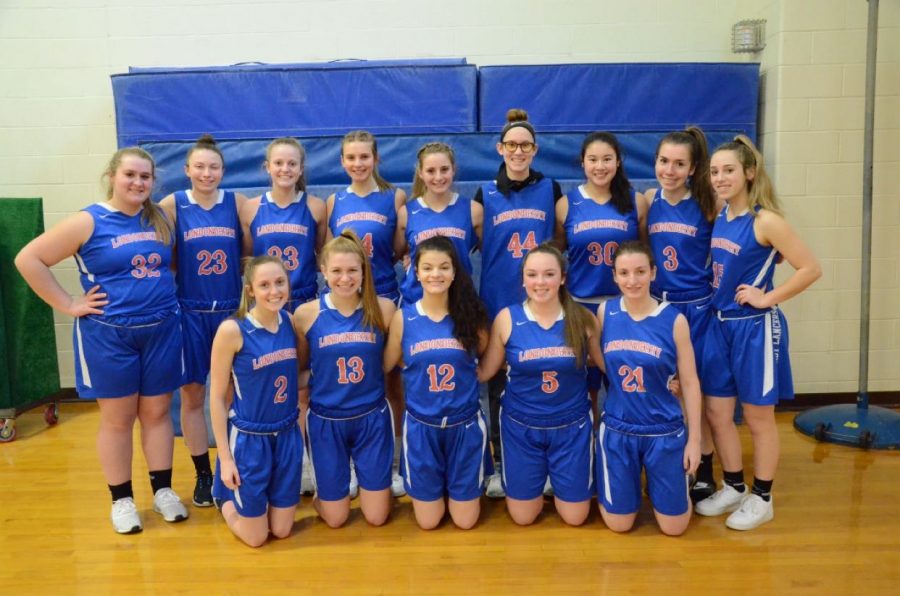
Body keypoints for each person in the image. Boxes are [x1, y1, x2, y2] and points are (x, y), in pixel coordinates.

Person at [15, 147, 189, 534]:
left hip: (161, 328)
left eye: (145, 177)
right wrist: (68, 303)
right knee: (118, 420)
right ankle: (122, 500)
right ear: (112, 175)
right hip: (110, 335)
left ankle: (163, 491)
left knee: (158, 414)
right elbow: (28, 259)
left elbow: (168, 266)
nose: (138, 182)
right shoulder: (87, 221)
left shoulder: (159, 217)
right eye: (130, 174)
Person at [694, 135, 821, 530]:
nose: (720, 178)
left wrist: (769, 298)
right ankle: (733, 485)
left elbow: (810, 268)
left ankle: (762, 497)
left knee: (757, 416)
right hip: (720, 323)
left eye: (728, 170)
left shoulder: (765, 220)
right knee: (717, 412)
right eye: (715, 171)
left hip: (753, 328)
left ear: (749, 173)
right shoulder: (722, 216)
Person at [477, 243, 603, 526]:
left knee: (575, 517)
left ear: (562, 278)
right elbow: (486, 371)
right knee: (523, 518)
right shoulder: (508, 319)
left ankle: (557, 477)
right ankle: (540, 476)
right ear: (522, 279)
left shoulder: (583, 319)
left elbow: (607, 365)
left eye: (549, 274)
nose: (540, 282)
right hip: (522, 427)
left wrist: (664, 381)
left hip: (571, 426)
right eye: (532, 275)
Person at [476, 109, 561, 498]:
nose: (518, 151)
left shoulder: (551, 190)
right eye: (511, 145)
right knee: (496, 387)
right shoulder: (485, 194)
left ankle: (547, 463)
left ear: (535, 149)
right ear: (500, 148)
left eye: (526, 145)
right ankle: (497, 465)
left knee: (544, 381)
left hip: (541, 303)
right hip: (497, 303)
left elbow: (562, 238)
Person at [158, 134, 245, 508]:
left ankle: (235, 465)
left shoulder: (236, 203)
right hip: (191, 312)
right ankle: (202, 473)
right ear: (187, 169)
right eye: (200, 166)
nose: (207, 173)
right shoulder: (173, 205)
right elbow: (167, 258)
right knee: (192, 395)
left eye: (214, 167)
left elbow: (248, 257)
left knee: (230, 396)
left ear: (223, 171)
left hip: (229, 311)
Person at [595, 241, 702, 536]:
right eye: (624, 273)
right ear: (614, 276)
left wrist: (695, 441)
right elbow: (602, 362)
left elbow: (691, 382)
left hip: (664, 429)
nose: (632, 280)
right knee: (619, 525)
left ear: (653, 273)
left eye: (641, 271)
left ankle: (664, 483)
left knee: (674, 528)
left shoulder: (674, 320)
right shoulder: (606, 312)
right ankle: (626, 484)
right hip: (620, 428)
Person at [383, 236, 490, 530]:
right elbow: (388, 364)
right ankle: (437, 485)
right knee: (428, 523)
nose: (436, 275)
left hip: (464, 426)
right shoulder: (403, 319)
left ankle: (454, 484)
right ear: (415, 271)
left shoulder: (471, 316)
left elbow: (482, 359)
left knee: (465, 522)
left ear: (455, 271)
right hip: (422, 427)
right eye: (428, 268)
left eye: (444, 267)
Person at [293, 230, 397, 528]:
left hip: (371, 418)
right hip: (326, 421)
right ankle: (328, 495)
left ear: (364, 271)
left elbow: (394, 362)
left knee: (377, 517)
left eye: (353, 270)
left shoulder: (384, 309)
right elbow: (299, 370)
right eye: (336, 270)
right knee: (336, 519)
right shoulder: (306, 314)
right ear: (323, 271)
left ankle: (368, 484)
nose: (345, 278)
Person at [643, 126, 722, 504]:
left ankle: (706, 468)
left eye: (679, 164)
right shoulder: (648, 201)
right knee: (667, 390)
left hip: (697, 306)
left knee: (698, 394)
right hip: (660, 305)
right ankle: (670, 459)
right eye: (663, 161)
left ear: (692, 169)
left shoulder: (709, 203)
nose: (669, 170)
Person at [327, 130, 407, 497]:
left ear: (376, 159)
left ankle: (389, 462)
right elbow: (328, 253)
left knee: (390, 381)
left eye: (364, 157)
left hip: (384, 298)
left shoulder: (395, 197)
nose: (358, 164)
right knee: (351, 382)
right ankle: (352, 464)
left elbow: (398, 249)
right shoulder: (333, 201)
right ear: (342, 161)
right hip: (345, 300)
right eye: (351, 158)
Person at [208, 256, 302, 547]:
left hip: (287, 434)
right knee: (256, 538)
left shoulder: (289, 321)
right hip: (250, 439)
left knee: (283, 530)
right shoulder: (232, 331)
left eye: (279, 283)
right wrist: (225, 458)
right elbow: (216, 398)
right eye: (264, 285)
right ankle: (222, 497)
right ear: (250, 290)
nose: (274, 291)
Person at [555, 131, 648, 412]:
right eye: (593, 159)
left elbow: (644, 253)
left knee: (627, 386)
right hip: (581, 306)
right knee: (586, 391)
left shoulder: (636, 201)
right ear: (582, 163)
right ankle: (589, 450)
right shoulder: (566, 204)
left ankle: (627, 448)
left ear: (618, 162)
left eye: (607, 159)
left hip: (623, 306)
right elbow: (559, 249)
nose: (600, 166)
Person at [240, 137, 326, 313]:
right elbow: (248, 260)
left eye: (292, 164)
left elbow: (322, 257)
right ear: (268, 167)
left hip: (304, 300)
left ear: (301, 169)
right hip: (266, 300)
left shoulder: (316, 207)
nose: (285, 169)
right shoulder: (251, 208)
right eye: (278, 163)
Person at [395, 142, 483, 305]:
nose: (438, 177)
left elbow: (489, 253)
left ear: (453, 169)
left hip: (460, 303)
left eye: (444, 169)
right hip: (416, 302)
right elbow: (399, 253)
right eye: (430, 171)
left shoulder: (474, 210)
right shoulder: (406, 213)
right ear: (420, 173)